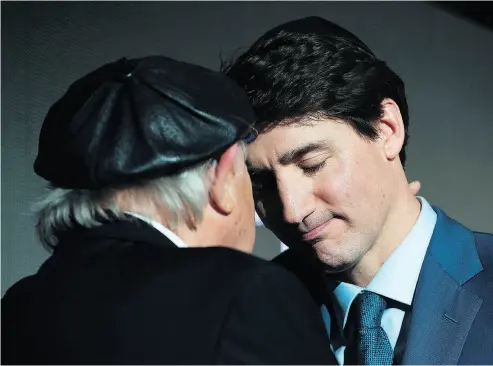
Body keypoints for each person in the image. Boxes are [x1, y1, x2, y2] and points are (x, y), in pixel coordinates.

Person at [1, 55, 337, 365]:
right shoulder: (245, 295)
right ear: (222, 177)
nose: (290, 210)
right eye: (251, 175)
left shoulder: (18, 308)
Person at [224, 16, 493, 365]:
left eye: (312, 164)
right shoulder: (249, 314)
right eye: (260, 182)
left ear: (387, 129)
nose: (292, 210)